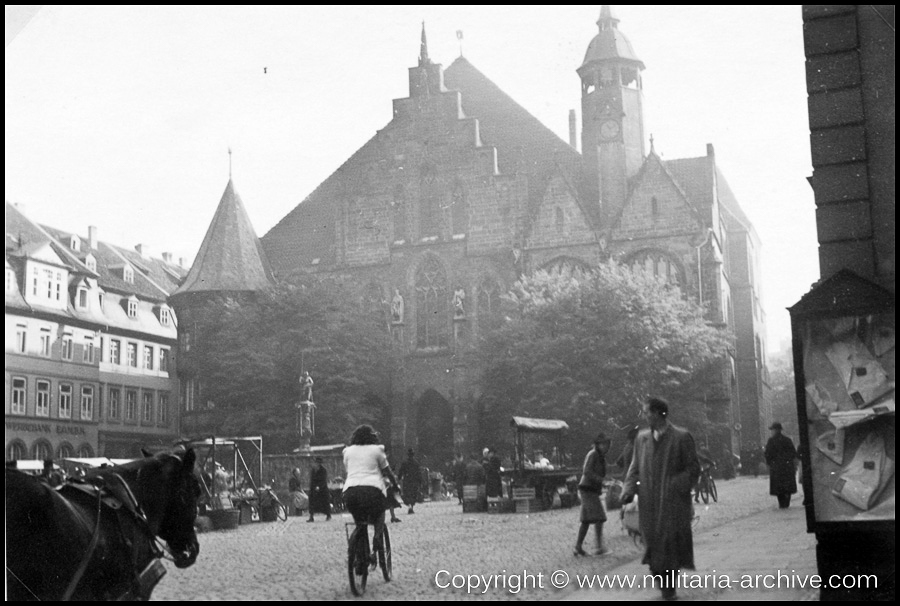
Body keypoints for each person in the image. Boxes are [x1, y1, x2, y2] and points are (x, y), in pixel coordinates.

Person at [622, 397, 700, 601]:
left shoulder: (682, 437)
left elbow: (693, 469)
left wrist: (675, 485)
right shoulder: (642, 438)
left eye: (647, 412)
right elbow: (634, 467)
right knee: (652, 545)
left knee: (670, 546)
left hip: (673, 504)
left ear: (658, 413)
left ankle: (669, 590)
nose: (644, 415)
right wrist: (628, 490)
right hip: (649, 503)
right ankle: (662, 582)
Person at [342, 425, 399, 565]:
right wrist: (396, 485)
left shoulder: (347, 451)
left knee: (359, 521)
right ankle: (378, 537)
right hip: (372, 490)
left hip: (351, 492)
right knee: (380, 512)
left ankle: (359, 553)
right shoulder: (377, 450)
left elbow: (349, 471)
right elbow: (388, 472)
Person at [574, 432, 611, 557]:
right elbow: (587, 471)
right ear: (598, 444)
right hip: (587, 489)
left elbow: (600, 474)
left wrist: (605, 481)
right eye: (603, 444)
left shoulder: (601, 457)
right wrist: (601, 480)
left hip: (591, 489)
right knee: (600, 517)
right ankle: (599, 548)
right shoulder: (593, 454)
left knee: (586, 520)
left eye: (607, 444)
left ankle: (578, 547)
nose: (606, 446)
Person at [764, 422, 798, 509]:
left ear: (776, 430)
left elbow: (767, 454)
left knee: (778, 487)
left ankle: (782, 504)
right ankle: (786, 502)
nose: (771, 432)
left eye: (772, 430)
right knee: (787, 486)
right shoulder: (787, 440)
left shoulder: (771, 441)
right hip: (787, 467)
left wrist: (770, 463)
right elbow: (793, 453)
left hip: (776, 468)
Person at [397, 449, 422, 514]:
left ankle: (410, 506)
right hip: (414, 481)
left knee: (407, 494)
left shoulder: (404, 463)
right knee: (413, 494)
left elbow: (401, 471)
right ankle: (411, 506)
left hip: (407, 480)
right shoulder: (416, 463)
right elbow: (418, 473)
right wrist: (420, 481)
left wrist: (399, 478)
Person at [307, 457, 332, 522]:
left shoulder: (323, 470)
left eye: (316, 463)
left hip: (322, 489)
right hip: (314, 489)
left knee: (325, 502)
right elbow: (312, 479)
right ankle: (311, 516)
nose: (315, 464)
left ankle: (328, 515)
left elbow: (323, 480)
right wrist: (312, 487)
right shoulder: (313, 470)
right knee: (312, 502)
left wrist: (319, 486)